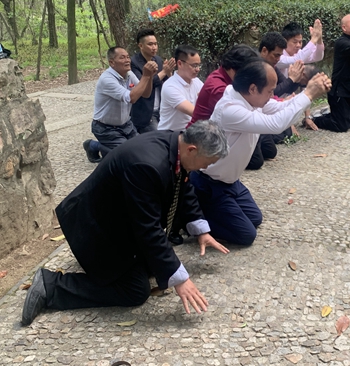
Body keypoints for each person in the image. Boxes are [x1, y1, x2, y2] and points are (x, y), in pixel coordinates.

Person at [22, 121, 230, 326]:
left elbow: (182, 185)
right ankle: (51, 286)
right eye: (207, 162)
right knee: (135, 291)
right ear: (192, 149)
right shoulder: (147, 164)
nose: (206, 168)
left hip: (120, 220)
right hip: (94, 228)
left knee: (155, 267)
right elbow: (148, 228)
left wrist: (200, 230)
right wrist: (181, 280)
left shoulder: (177, 144)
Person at [189, 59, 332, 246]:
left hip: (231, 182)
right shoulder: (230, 109)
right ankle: (191, 219)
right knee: (245, 236)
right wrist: (309, 94)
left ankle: (213, 211)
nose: (272, 95)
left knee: (255, 218)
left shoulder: (247, 97)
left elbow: (280, 107)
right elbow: (276, 124)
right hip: (210, 183)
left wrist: (308, 94)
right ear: (253, 88)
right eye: (270, 91)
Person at [83, 47, 156, 163]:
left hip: (126, 125)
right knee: (127, 155)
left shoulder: (129, 74)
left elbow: (146, 94)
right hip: (105, 128)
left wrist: (150, 76)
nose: (127, 60)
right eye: (122, 58)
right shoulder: (107, 79)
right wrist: (145, 76)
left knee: (142, 149)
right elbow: (131, 98)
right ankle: (94, 146)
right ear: (112, 62)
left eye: (128, 57)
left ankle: (104, 148)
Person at [188, 44, 259, 125]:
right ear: (233, 70)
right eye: (248, 74)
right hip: (200, 132)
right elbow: (244, 116)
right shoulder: (219, 89)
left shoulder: (224, 75)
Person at [130, 29, 176, 133]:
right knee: (158, 137)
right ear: (140, 45)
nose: (154, 47)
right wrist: (164, 71)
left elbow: (164, 82)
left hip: (160, 109)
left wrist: (169, 73)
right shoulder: (134, 63)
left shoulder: (157, 59)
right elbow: (144, 85)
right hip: (145, 112)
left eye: (155, 44)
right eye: (150, 44)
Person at [158, 45, 204, 131]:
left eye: (198, 65)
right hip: (169, 134)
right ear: (180, 64)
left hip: (190, 132)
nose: (197, 69)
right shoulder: (170, 86)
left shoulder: (197, 82)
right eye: (194, 65)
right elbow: (195, 112)